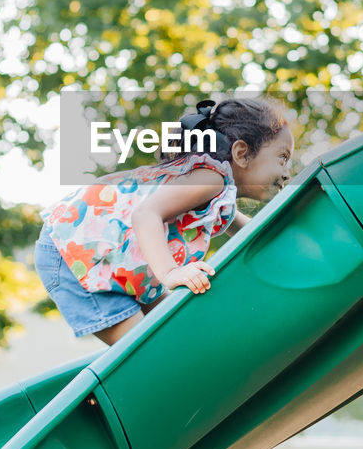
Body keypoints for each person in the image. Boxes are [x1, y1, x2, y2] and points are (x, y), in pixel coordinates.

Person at [35, 97, 295, 345]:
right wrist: (171, 273)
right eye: (282, 157)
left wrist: (286, 235)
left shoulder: (218, 188)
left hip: (112, 262)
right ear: (241, 153)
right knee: (150, 349)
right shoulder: (210, 178)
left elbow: (246, 230)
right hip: (74, 253)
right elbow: (145, 214)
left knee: (176, 330)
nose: (286, 172)